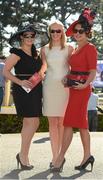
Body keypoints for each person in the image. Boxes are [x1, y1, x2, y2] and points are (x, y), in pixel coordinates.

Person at [51, 8, 97, 172]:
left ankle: (60, 157)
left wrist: (85, 85)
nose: (76, 33)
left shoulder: (90, 48)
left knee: (69, 122)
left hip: (82, 89)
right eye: (76, 31)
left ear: (88, 32)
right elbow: (70, 32)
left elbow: (92, 71)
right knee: (82, 125)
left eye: (81, 31)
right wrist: (67, 77)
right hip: (73, 87)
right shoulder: (76, 48)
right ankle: (87, 156)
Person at [3, 23, 49, 170]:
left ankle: (22, 154)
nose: (29, 38)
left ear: (34, 37)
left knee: (32, 123)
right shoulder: (17, 52)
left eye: (32, 35)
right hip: (22, 89)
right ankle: (23, 156)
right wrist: (20, 81)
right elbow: (6, 72)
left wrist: (42, 74)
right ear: (21, 37)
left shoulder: (36, 53)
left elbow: (43, 67)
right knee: (32, 122)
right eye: (26, 35)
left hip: (35, 89)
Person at [40, 20, 73, 168]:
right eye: (52, 31)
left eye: (58, 31)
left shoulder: (69, 48)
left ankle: (60, 157)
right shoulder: (44, 49)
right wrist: (28, 82)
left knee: (62, 123)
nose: (55, 34)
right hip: (49, 87)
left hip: (64, 88)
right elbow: (43, 69)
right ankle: (54, 158)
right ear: (49, 32)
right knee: (52, 123)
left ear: (63, 32)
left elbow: (73, 68)